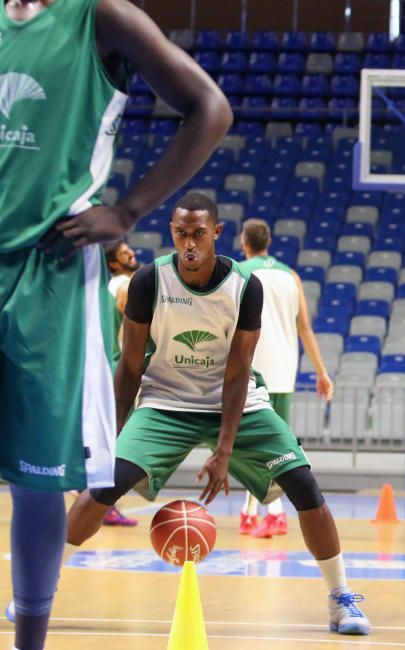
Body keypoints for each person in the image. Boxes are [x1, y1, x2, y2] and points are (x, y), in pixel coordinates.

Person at [0, 1, 232, 647]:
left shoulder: (100, 17)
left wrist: (128, 210)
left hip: (47, 274)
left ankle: (29, 642)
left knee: (36, 479)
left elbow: (210, 108)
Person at [61, 194, 371, 635]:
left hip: (237, 400)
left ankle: (341, 598)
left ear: (217, 234)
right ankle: (41, 588)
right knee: (103, 487)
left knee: (304, 485)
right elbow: (129, 367)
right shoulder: (149, 281)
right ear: (172, 232)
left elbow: (238, 372)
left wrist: (224, 448)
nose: (189, 244)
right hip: (166, 400)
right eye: (181, 234)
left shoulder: (245, 287)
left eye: (199, 235)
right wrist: (107, 439)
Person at [237, 218, 335, 538]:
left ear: (244, 242)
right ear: (268, 242)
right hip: (283, 372)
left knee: (258, 448)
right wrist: (321, 372)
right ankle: (249, 512)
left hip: (251, 370)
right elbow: (304, 327)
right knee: (265, 445)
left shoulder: (239, 273)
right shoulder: (291, 275)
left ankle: (276, 513)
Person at [99, 240, 143, 527]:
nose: (133, 254)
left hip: (107, 367)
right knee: (115, 443)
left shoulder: (107, 287)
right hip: (119, 368)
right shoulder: (125, 286)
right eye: (126, 253)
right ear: (114, 263)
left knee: (111, 440)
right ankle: (103, 503)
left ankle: (100, 499)